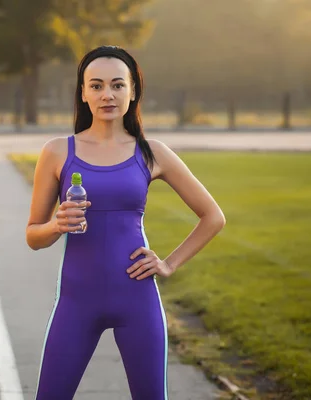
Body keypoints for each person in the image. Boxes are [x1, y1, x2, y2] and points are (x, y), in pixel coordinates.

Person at [26, 45, 226, 399]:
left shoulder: (152, 153)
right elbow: (33, 237)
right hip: (76, 304)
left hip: (137, 301)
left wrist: (168, 263)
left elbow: (213, 216)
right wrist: (57, 225)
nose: (108, 95)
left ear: (133, 92)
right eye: (97, 85)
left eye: (118, 85)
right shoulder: (57, 152)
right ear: (84, 92)